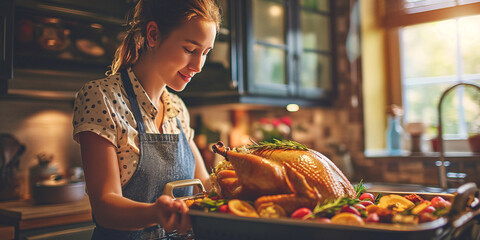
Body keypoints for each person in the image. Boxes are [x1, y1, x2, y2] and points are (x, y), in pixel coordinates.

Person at [72, 0, 220, 239]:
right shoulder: (102, 98)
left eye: (205, 53)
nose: (198, 66)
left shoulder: (177, 108)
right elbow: (104, 206)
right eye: (189, 49)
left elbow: (203, 183)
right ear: (153, 35)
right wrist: (155, 213)